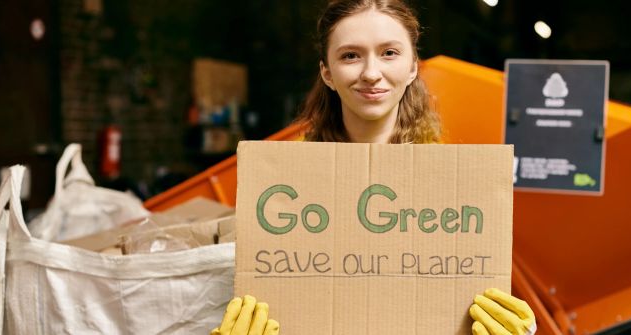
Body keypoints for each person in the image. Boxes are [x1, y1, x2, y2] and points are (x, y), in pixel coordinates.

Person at [211, 1, 537, 334]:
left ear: (413, 67)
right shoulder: (281, 182)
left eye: (389, 53)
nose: (370, 72)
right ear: (327, 72)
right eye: (350, 55)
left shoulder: (452, 187)